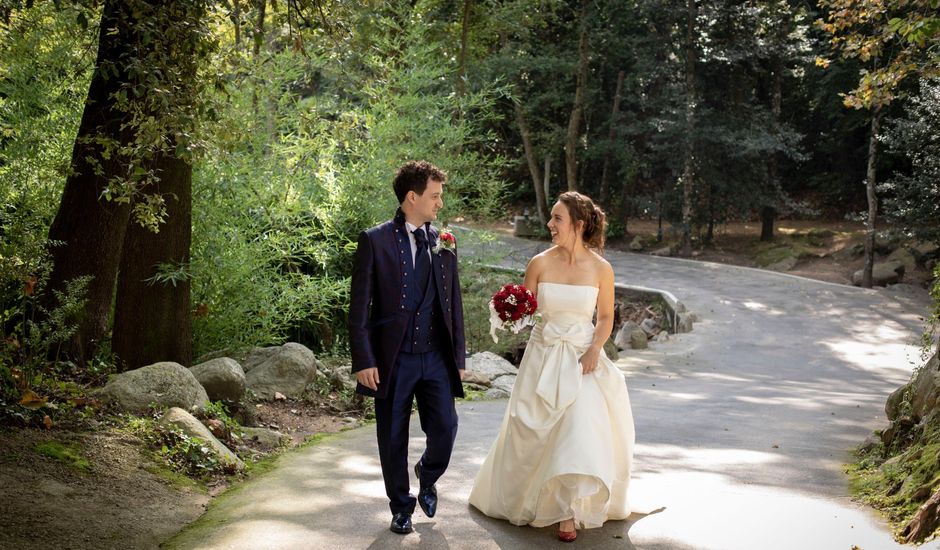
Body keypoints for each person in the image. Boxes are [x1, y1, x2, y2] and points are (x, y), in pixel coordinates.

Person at [469, 191, 635, 542]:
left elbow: (605, 317)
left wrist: (594, 349)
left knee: (579, 428)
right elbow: (525, 313)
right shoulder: (539, 263)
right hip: (543, 356)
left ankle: (568, 512)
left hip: (582, 358)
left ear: (577, 224)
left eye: (557, 218)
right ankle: (531, 499)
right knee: (531, 429)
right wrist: (507, 312)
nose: (549, 224)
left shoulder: (602, 268)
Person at [348, 160, 466, 535]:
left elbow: (454, 306)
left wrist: (458, 358)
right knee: (392, 436)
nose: (440, 204)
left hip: (434, 356)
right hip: (392, 358)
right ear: (411, 197)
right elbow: (359, 309)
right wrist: (364, 359)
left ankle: (428, 474)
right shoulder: (375, 240)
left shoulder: (444, 242)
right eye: (435, 196)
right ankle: (401, 507)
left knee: (446, 428)